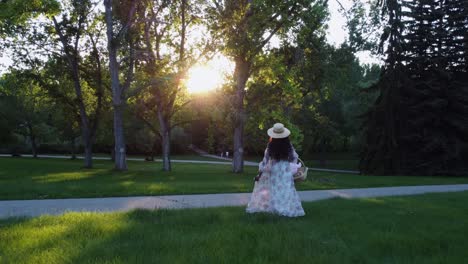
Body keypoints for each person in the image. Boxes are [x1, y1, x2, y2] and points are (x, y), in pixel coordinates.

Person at [246, 123, 305, 217]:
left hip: (274, 171)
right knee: (286, 190)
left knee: (275, 190)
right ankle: (285, 208)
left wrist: (261, 169)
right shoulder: (288, 146)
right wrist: (291, 165)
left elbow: (265, 161)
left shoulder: (270, 146)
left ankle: (275, 209)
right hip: (285, 170)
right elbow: (295, 157)